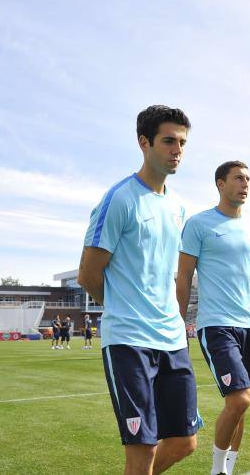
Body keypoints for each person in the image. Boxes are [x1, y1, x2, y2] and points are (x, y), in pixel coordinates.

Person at [77, 105, 198, 474]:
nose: (177, 149)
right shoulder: (119, 199)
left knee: (183, 442)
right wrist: (125, 308)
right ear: (143, 143)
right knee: (142, 448)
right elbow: (88, 274)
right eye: (168, 141)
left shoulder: (178, 206)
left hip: (172, 338)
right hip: (129, 339)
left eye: (182, 142)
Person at [177, 160, 250, 475]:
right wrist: (177, 323)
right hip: (215, 325)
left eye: (248, 179)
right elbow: (184, 276)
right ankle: (217, 471)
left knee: (242, 405)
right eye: (238, 178)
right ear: (220, 183)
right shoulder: (198, 224)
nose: (245, 184)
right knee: (240, 400)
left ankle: (228, 469)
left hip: (248, 326)